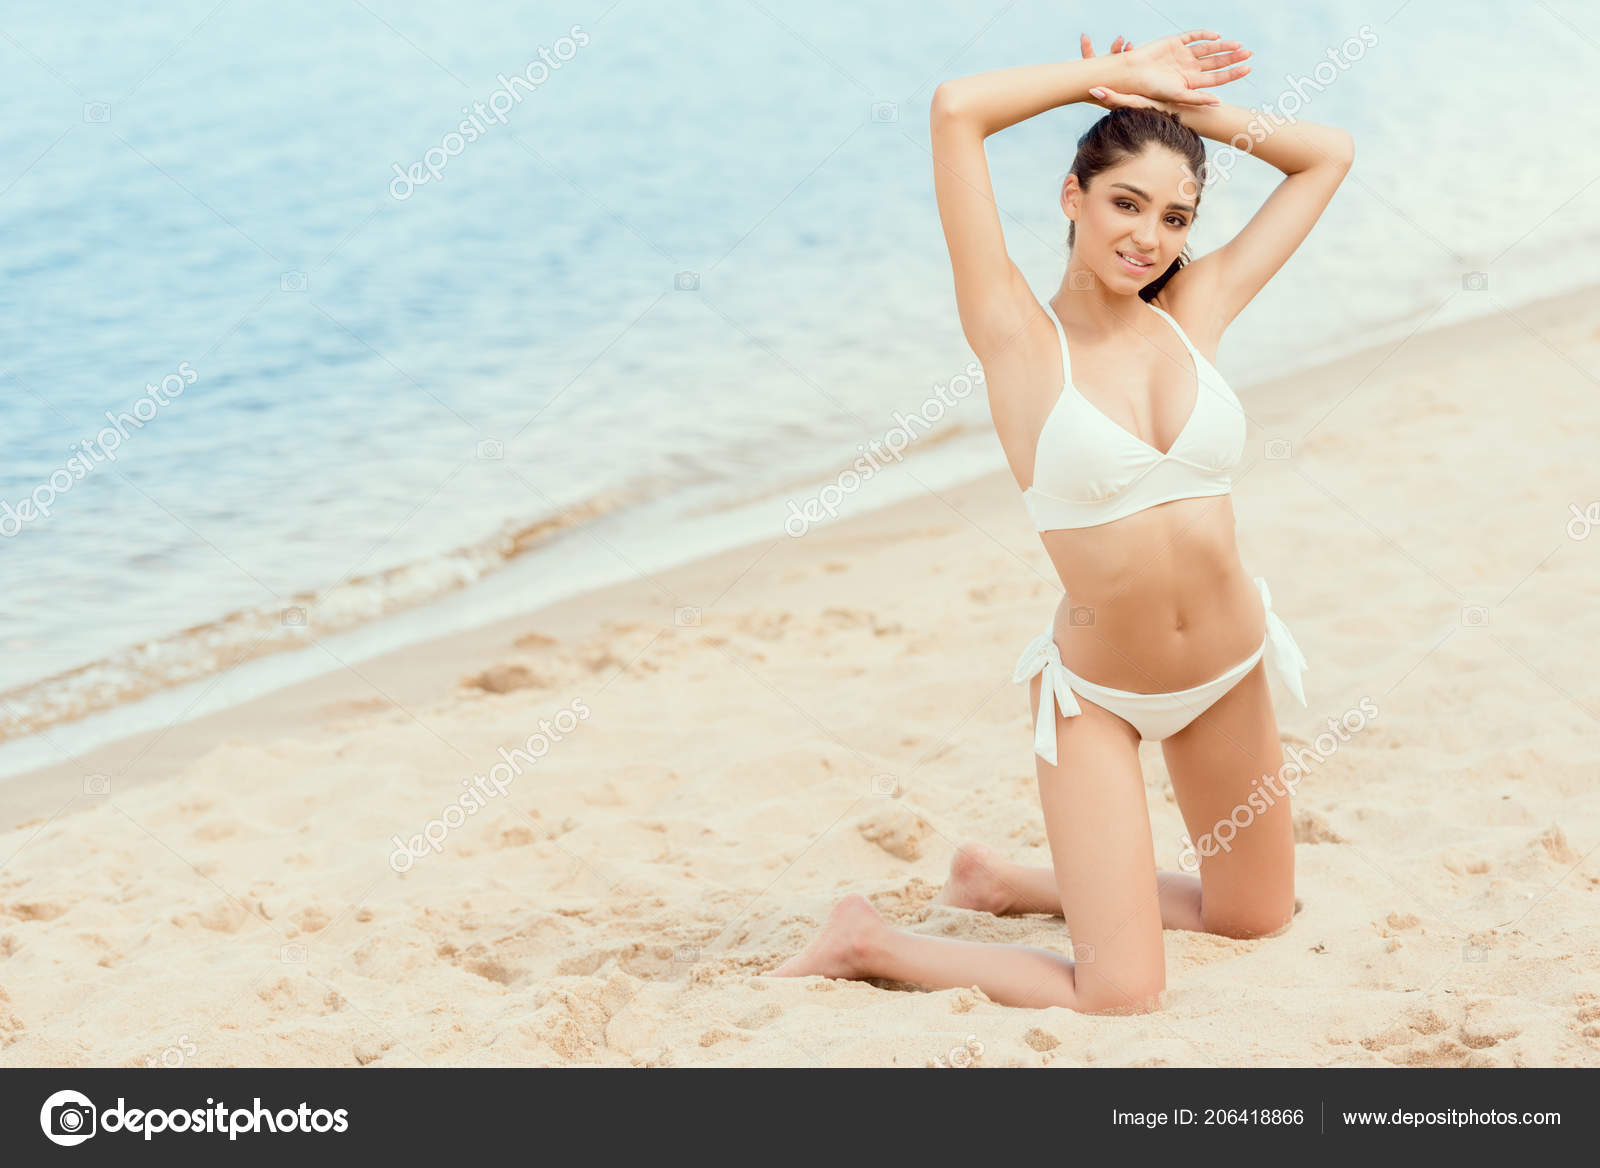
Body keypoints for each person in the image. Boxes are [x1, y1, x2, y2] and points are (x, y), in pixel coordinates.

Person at [774, 29, 1353, 1012]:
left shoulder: (1195, 309)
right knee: (1120, 994)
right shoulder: (1015, 334)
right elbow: (956, 108)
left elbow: (1327, 155)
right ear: (1071, 197)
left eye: (1175, 216)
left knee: (1256, 916)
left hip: (1228, 671)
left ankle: (1002, 883)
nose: (1150, 236)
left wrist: (1183, 110)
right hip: (1101, 698)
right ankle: (870, 939)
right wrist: (1107, 81)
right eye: (1126, 203)